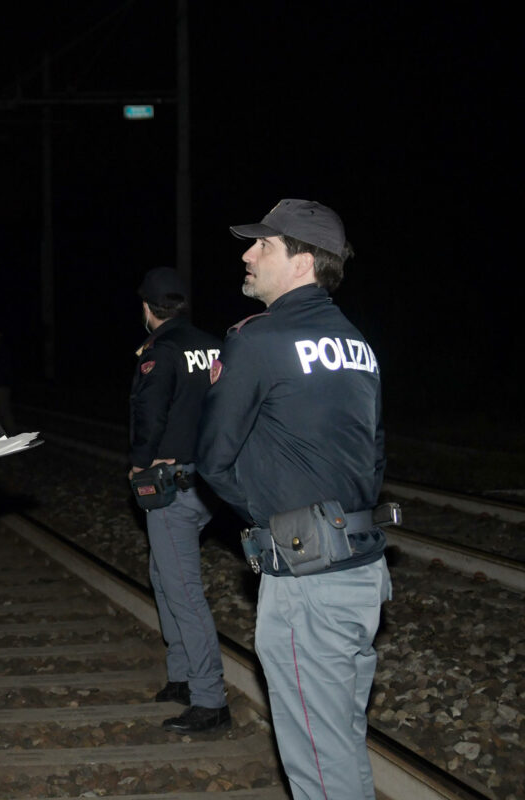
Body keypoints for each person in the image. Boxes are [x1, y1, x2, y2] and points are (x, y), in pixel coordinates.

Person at [197, 199, 390, 799]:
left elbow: (213, 460)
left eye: (264, 245)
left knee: (318, 766)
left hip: (309, 582)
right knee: (341, 745)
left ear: (303, 261)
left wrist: (274, 523)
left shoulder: (260, 341)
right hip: (363, 570)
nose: (247, 253)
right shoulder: (357, 343)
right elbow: (374, 454)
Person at [127, 267, 228, 733]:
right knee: (162, 574)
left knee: (184, 591)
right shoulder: (216, 344)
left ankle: (209, 698)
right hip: (208, 479)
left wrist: (139, 462)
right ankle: (183, 675)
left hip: (173, 481)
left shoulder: (159, 350)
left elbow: (149, 411)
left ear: (148, 309)